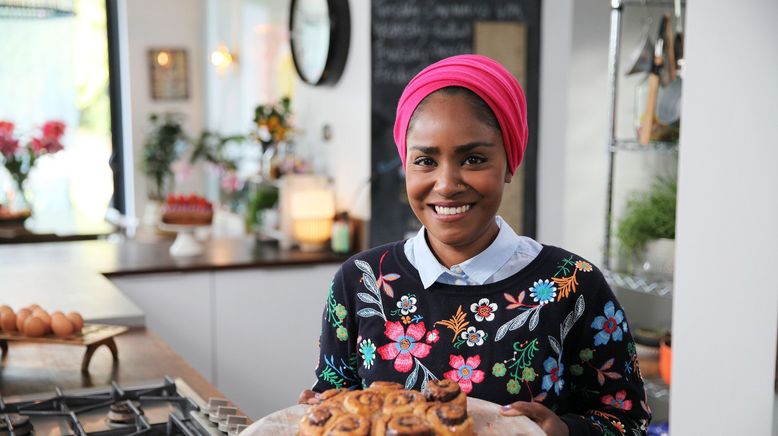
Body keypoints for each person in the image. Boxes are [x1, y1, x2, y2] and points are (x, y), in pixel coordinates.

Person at [299, 54, 651, 435]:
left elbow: (626, 419)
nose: (447, 184)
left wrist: (563, 431)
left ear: (510, 163)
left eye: (474, 158)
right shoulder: (361, 281)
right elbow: (336, 400)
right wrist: (321, 411)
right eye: (424, 161)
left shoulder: (572, 285)